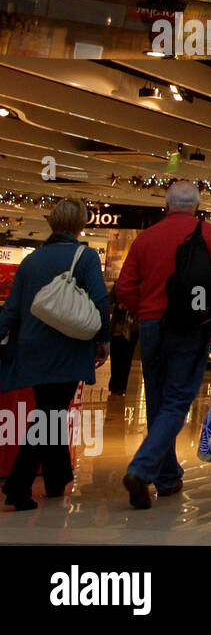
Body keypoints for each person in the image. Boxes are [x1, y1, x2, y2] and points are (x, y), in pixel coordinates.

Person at [116, 180, 211, 508]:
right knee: (178, 399)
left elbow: (125, 288)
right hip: (190, 325)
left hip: (153, 325)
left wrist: (145, 312)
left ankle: (167, 477)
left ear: (166, 204)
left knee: (157, 399)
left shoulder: (145, 238)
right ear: (197, 205)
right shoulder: (210, 235)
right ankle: (141, 469)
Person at [0, 199, 110, 510]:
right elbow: (100, 299)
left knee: (50, 409)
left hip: (33, 347)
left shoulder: (31, 261)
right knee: (49, 415)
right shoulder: (85, 256)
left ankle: (55, 477)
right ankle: (18, 486)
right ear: (81, 224)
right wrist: (103, 339)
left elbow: (11, 309)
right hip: (69, 346)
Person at [107, 287, 139, 396]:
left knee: (126, 358)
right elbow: (108, 304)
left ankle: (121, 386)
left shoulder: (140, 287)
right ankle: (115, 385)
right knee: (116, 357)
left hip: (131, 328)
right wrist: (117, 307)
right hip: (117, 328)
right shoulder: (117, 287)